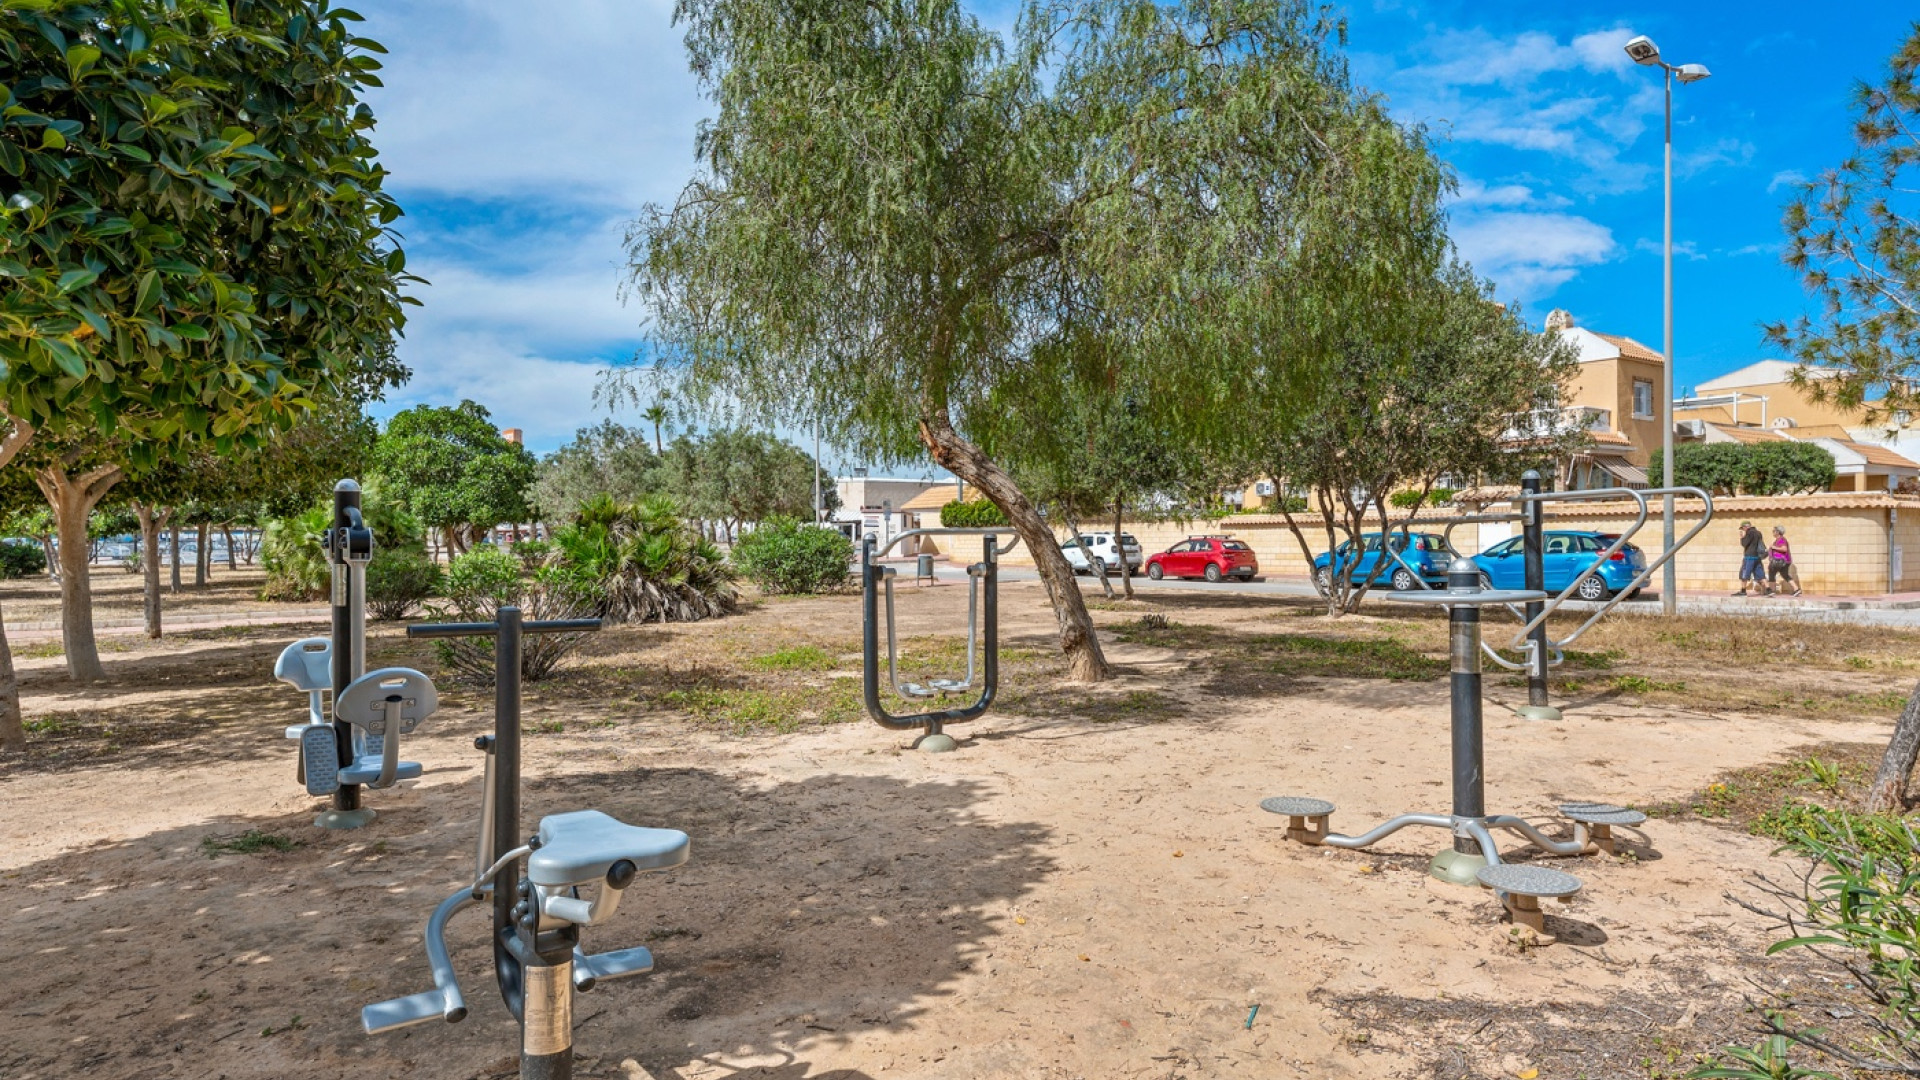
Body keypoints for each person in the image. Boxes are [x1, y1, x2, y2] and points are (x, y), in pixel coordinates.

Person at [1734, 521, 1768, 596]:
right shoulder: (1758, 533)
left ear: (1745, 527)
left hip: (1749, 557)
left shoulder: (1749, 533)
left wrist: (1742, 537)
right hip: (1757, 557)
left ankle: (1743, 591)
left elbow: (1744, 544)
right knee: (1760, 574)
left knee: (1744, 573)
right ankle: (1769, 589)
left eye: (1743, 528)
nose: (1743, 530)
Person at [1768, 525, 1802, 597]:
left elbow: (1784, 549)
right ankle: (1796, 589)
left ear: (1778, 532)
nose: (1773, 532)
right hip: (1784, 561)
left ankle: (1771, 591)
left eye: (1774, 531)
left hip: (1779, 560)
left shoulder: (1781, 539)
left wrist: (1773, 547)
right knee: (1785, 575)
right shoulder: (1778, 540)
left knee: (1771, 573)